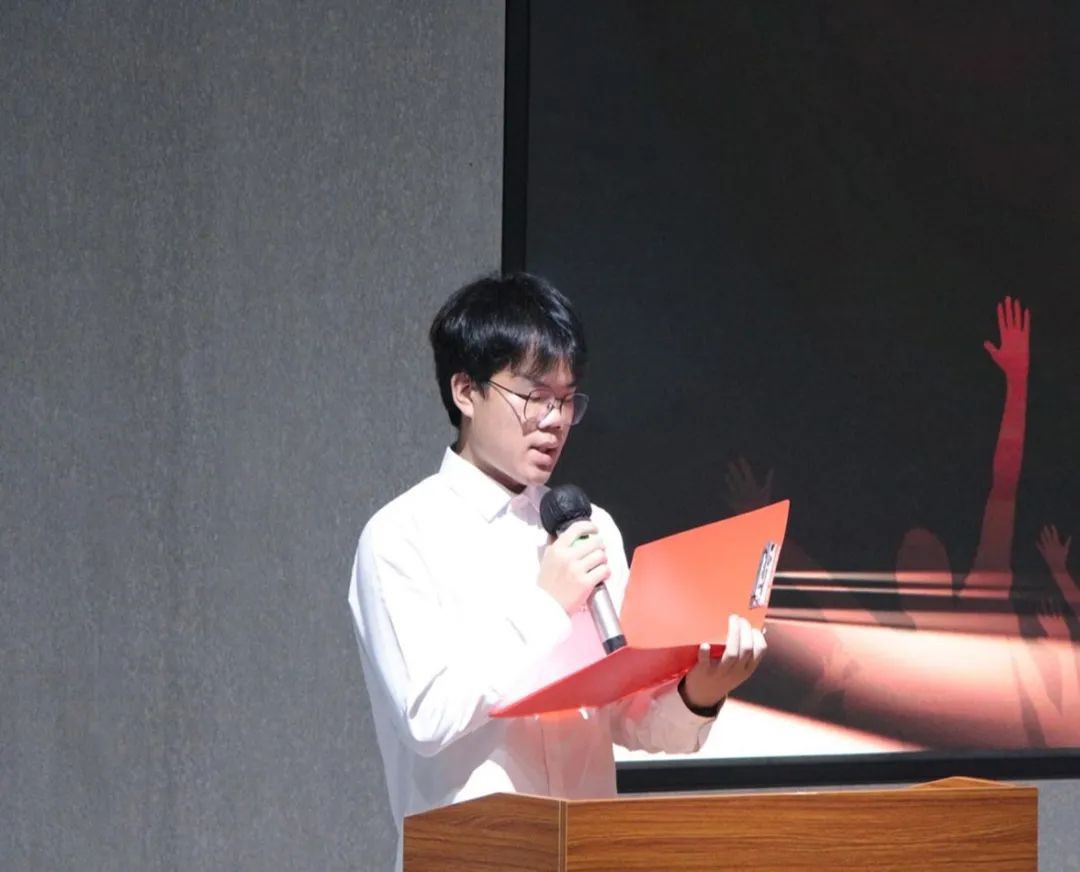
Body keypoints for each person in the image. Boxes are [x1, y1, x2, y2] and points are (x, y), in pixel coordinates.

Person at [347, 272, 766, 867]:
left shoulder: (589, 526)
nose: (555, 420)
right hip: (471, 859)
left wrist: (701, 691)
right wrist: (546, 605)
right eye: (534, 397)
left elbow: (630, 720)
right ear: (466, 391)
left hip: (588, 853)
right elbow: (426, 717)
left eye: (567, 400)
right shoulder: (402, 536)